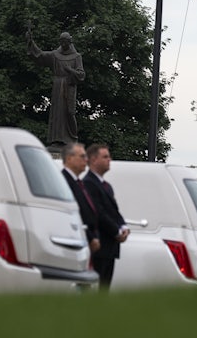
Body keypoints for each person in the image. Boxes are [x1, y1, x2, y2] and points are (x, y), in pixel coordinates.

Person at [26, 30, 85, 148]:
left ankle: (72, 139)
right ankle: (57, 140)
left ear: (69, 42)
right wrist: (30, 42)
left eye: (65, 42)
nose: (63, 44)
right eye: (61, 42)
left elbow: (81, 74)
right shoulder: (55, 55)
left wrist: (70, 71)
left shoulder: (76, 57)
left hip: (69, 86)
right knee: (57, 113)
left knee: (69, 112)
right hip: (58, 86)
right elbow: (40, 55)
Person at [83, 143, 129, 289]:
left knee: (104, 288)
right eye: (105, 157)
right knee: (97, 289)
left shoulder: (106, 186)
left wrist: (123, 226)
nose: (109, 160)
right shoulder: (88, 183)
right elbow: (99, 213)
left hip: (110, 247)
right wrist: (116, 231)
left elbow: (114, 211)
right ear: (93, 160)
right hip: (99, 245)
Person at [60, 142, 100, 254]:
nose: (86, 160)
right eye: (82, 156)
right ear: (69, 158)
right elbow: (73, 214)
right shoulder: (64, 182)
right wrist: (91, 238)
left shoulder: (78, 183)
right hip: (74, 242)